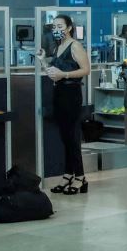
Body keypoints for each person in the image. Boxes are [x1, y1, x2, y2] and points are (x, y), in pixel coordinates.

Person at [36, 15, 91, 194]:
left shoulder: (75, 45)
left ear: (68, 28)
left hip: (71, 94)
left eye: (60, 25)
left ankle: (81, 177)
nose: (56, 29)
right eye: (54, 26)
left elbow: (86, 69)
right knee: (65, 137)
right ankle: (68, 174)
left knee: (72, 137)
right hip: (58, 93)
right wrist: (43, 61)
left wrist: (65, 75)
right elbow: (54, 73)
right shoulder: (57, 47)